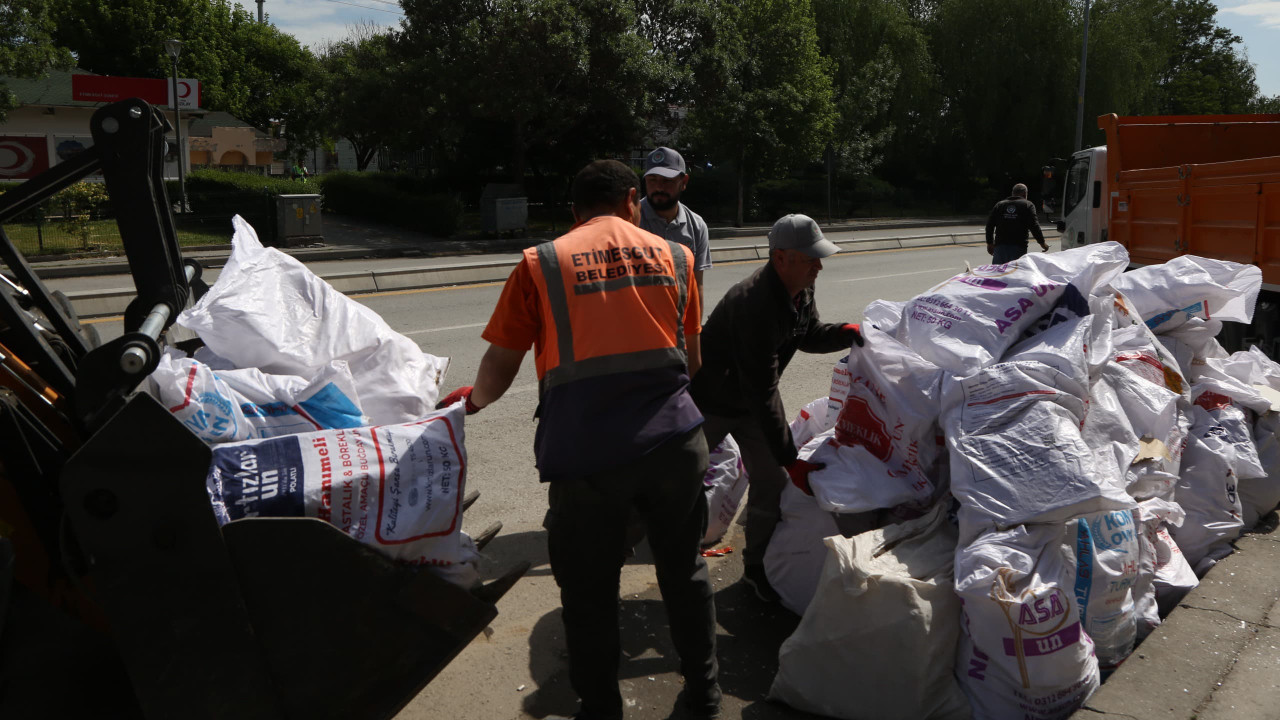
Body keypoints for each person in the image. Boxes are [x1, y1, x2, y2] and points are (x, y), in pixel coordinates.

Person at [436, 159, 719, 720]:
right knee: (683, 570)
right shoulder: (678, 257)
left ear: (574, 211)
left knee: (589, 589)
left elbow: (500, 364)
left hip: (589, 455)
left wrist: (472, 402)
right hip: (675, 442)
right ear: (631, 200)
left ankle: (601, 708)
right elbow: (692, 361)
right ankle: (705, 696)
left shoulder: (541, 262)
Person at [690, 213, 863, 603]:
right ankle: (625, 543)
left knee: (769, 481)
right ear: (780, 258)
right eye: (810, 259)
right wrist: (790, 457)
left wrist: (845, 333)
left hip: (748, 402)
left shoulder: (800, 287)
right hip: (711, 402)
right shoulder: (754, 303)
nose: (819, 267)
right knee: (677, 478)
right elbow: (762, 390)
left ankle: (755, 568)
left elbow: (807, 334)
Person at [639, 146, 712, 310]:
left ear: (684, 182)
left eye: (667, 181)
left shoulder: (697, 226)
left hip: (677, 321)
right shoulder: (629, 220)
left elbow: (696, 285)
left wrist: (695, 326)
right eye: (652, 180)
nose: (659, 187)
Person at [986, 183, 1048, 264]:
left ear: (1013, 193)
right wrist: (1042, 243)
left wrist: (990, 243)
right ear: (1025, 194)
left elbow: (989, 225)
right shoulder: (1027, 205)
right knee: (1015, 271)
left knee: (998, 271)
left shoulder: (1000, 205)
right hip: (1018, 247)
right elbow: (1034, 226)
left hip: (1000, 247)